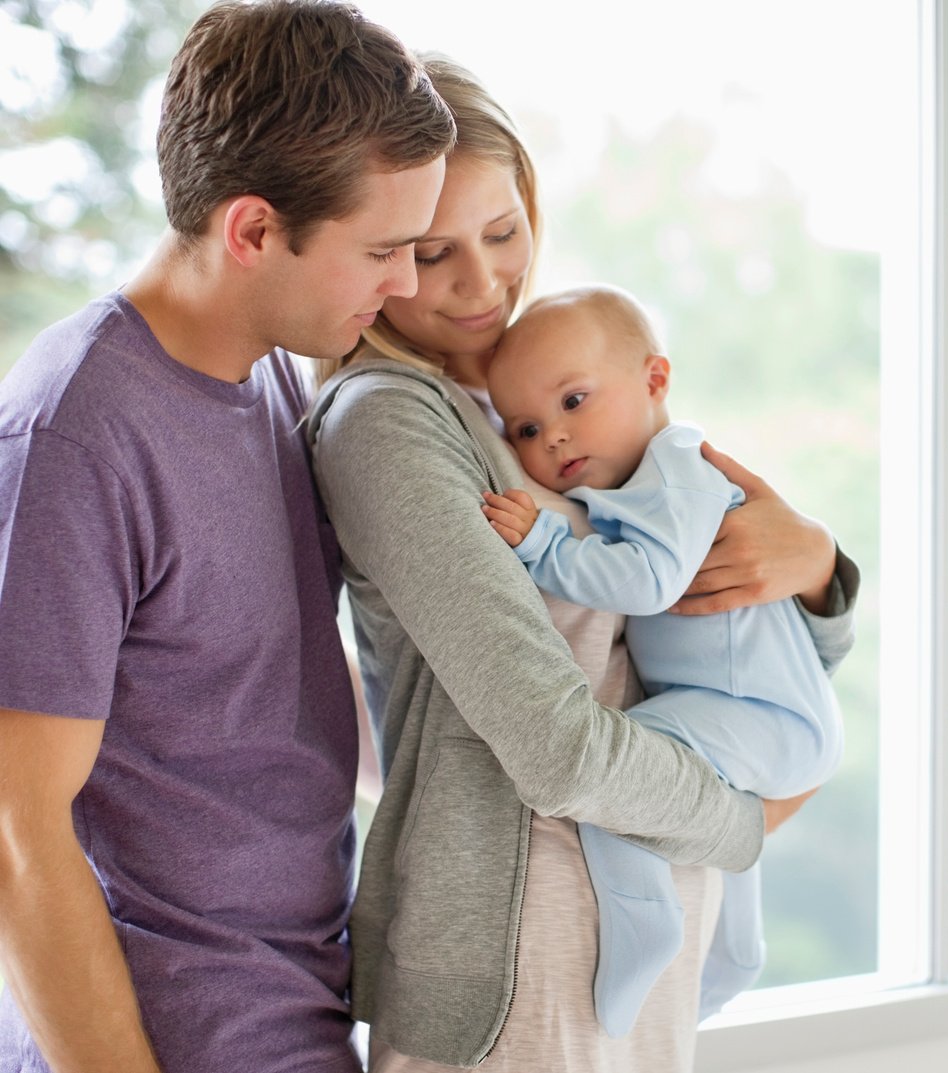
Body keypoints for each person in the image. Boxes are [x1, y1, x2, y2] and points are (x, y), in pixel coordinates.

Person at [304, 55, 859, 1073]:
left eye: (504, 232)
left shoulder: (547, 387)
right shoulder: (389, 418)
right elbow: (551, 740)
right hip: (524, 935)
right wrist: (742, 822)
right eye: (431, 252)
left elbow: (713, 600)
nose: (482, 284)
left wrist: (820, 569)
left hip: (635, 890)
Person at [0, 3, 456, 1072]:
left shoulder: (271, 374)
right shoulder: (77, 432)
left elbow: (251, 691)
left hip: (295, 1015)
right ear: (252, 230)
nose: (407, 284)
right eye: (383, 249)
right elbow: (19, 830)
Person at [481, 284, 844, 1037]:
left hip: (766, 716)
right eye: (523, 426)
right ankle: (733, 959)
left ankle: (645, 926)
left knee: (623, 776)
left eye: (574, 400)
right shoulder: (641, 481)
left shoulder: (674, 471)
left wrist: (545, 545)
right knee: (716, 845)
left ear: (654, 380)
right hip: (754, 712)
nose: (550, 437)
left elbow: (649, 583)